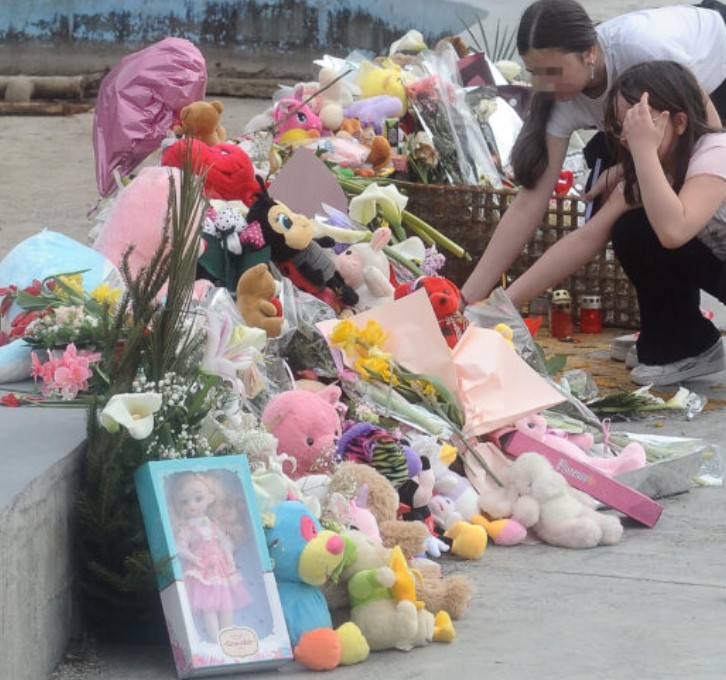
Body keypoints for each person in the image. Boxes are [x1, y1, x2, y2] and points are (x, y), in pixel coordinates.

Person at [459, 0, 726, 306]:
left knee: (685, 204)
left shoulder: (644, 50)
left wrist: (638, 168)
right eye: (534, 73)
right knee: (625, 212)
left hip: (716, 76)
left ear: (589, 53)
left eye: (552, 71)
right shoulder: (559, 100)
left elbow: (709, 142)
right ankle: (679, 328)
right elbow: (530, 204)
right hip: (659, 134)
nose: (543, 84)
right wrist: (469, 299)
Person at [505, 60, 726, 385]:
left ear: (679, 122)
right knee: (632, 228)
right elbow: (585, 239)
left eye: (640, 125)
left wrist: (644, 151)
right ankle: (684, 345)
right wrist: (504, 303)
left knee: (657, 223)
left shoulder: (715, 153)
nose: (627, 138)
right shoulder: (654, 168)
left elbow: (674, 231)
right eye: (623, 127)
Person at [171, 472, 252, 642]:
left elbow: (225, 542)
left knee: (226, 603)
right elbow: (179, 548)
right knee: (208, 606)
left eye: (198, 499)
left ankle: (228, 637)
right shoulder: (187, 529)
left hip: (220, 567)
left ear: (210, 498)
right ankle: (215, 639)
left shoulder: (213, 525)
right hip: (202, 569)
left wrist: (229, 558)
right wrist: (194, 558)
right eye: (185, 501)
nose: (192, 505)